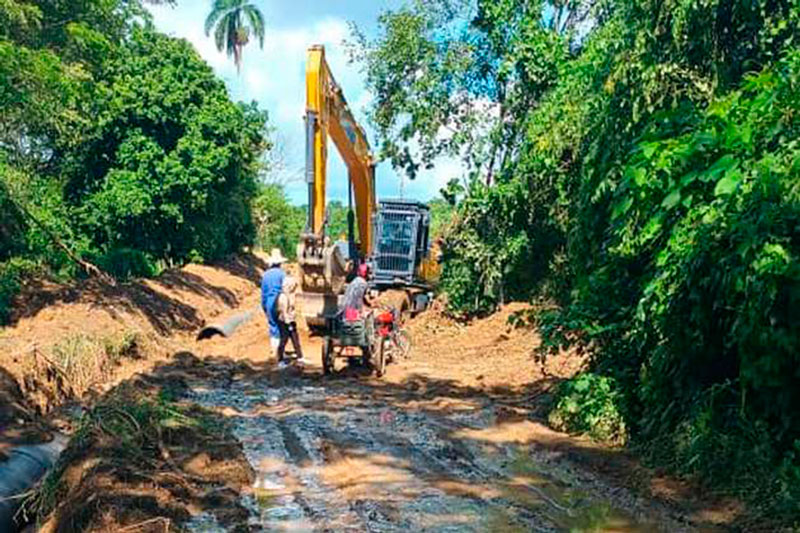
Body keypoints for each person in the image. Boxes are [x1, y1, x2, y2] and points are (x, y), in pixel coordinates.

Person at [261, 248, 287, 357]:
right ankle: (280, 351)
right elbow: (286, 290)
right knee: (282, 326)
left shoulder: (265, 275)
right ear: (280, 263)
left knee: (273, 325)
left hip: (269, 302)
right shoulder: (282, 274)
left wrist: (264, 306)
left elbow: (263, 292)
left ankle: (274, 349)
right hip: (280, 301)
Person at [276, 276, 305, 368]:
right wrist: (288, 323)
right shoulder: (283, 297)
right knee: (284, 339)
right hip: (284, 322)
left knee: (295, 338)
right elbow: (283, 311)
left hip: (291, 320)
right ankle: (280, 360)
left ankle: (300, 356)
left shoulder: (291, 295)